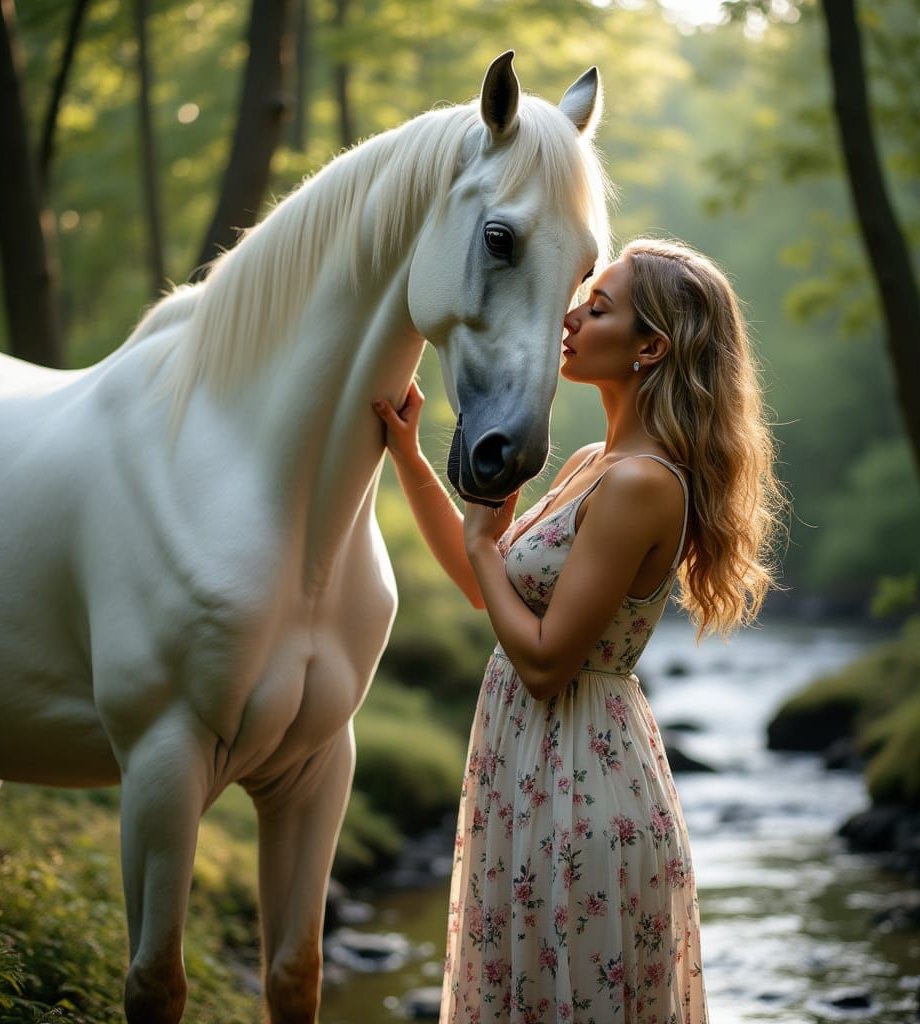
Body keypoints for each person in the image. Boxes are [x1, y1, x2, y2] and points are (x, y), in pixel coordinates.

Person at [372, 237, 786, 1023]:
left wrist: (484, 543)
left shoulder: (640, 485)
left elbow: (543, 663)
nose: (567, 315)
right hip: (529, 775)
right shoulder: (594, 462)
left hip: (579, 788)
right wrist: (410, 460)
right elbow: (483, 589)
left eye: (597, 308)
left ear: (650, 347)